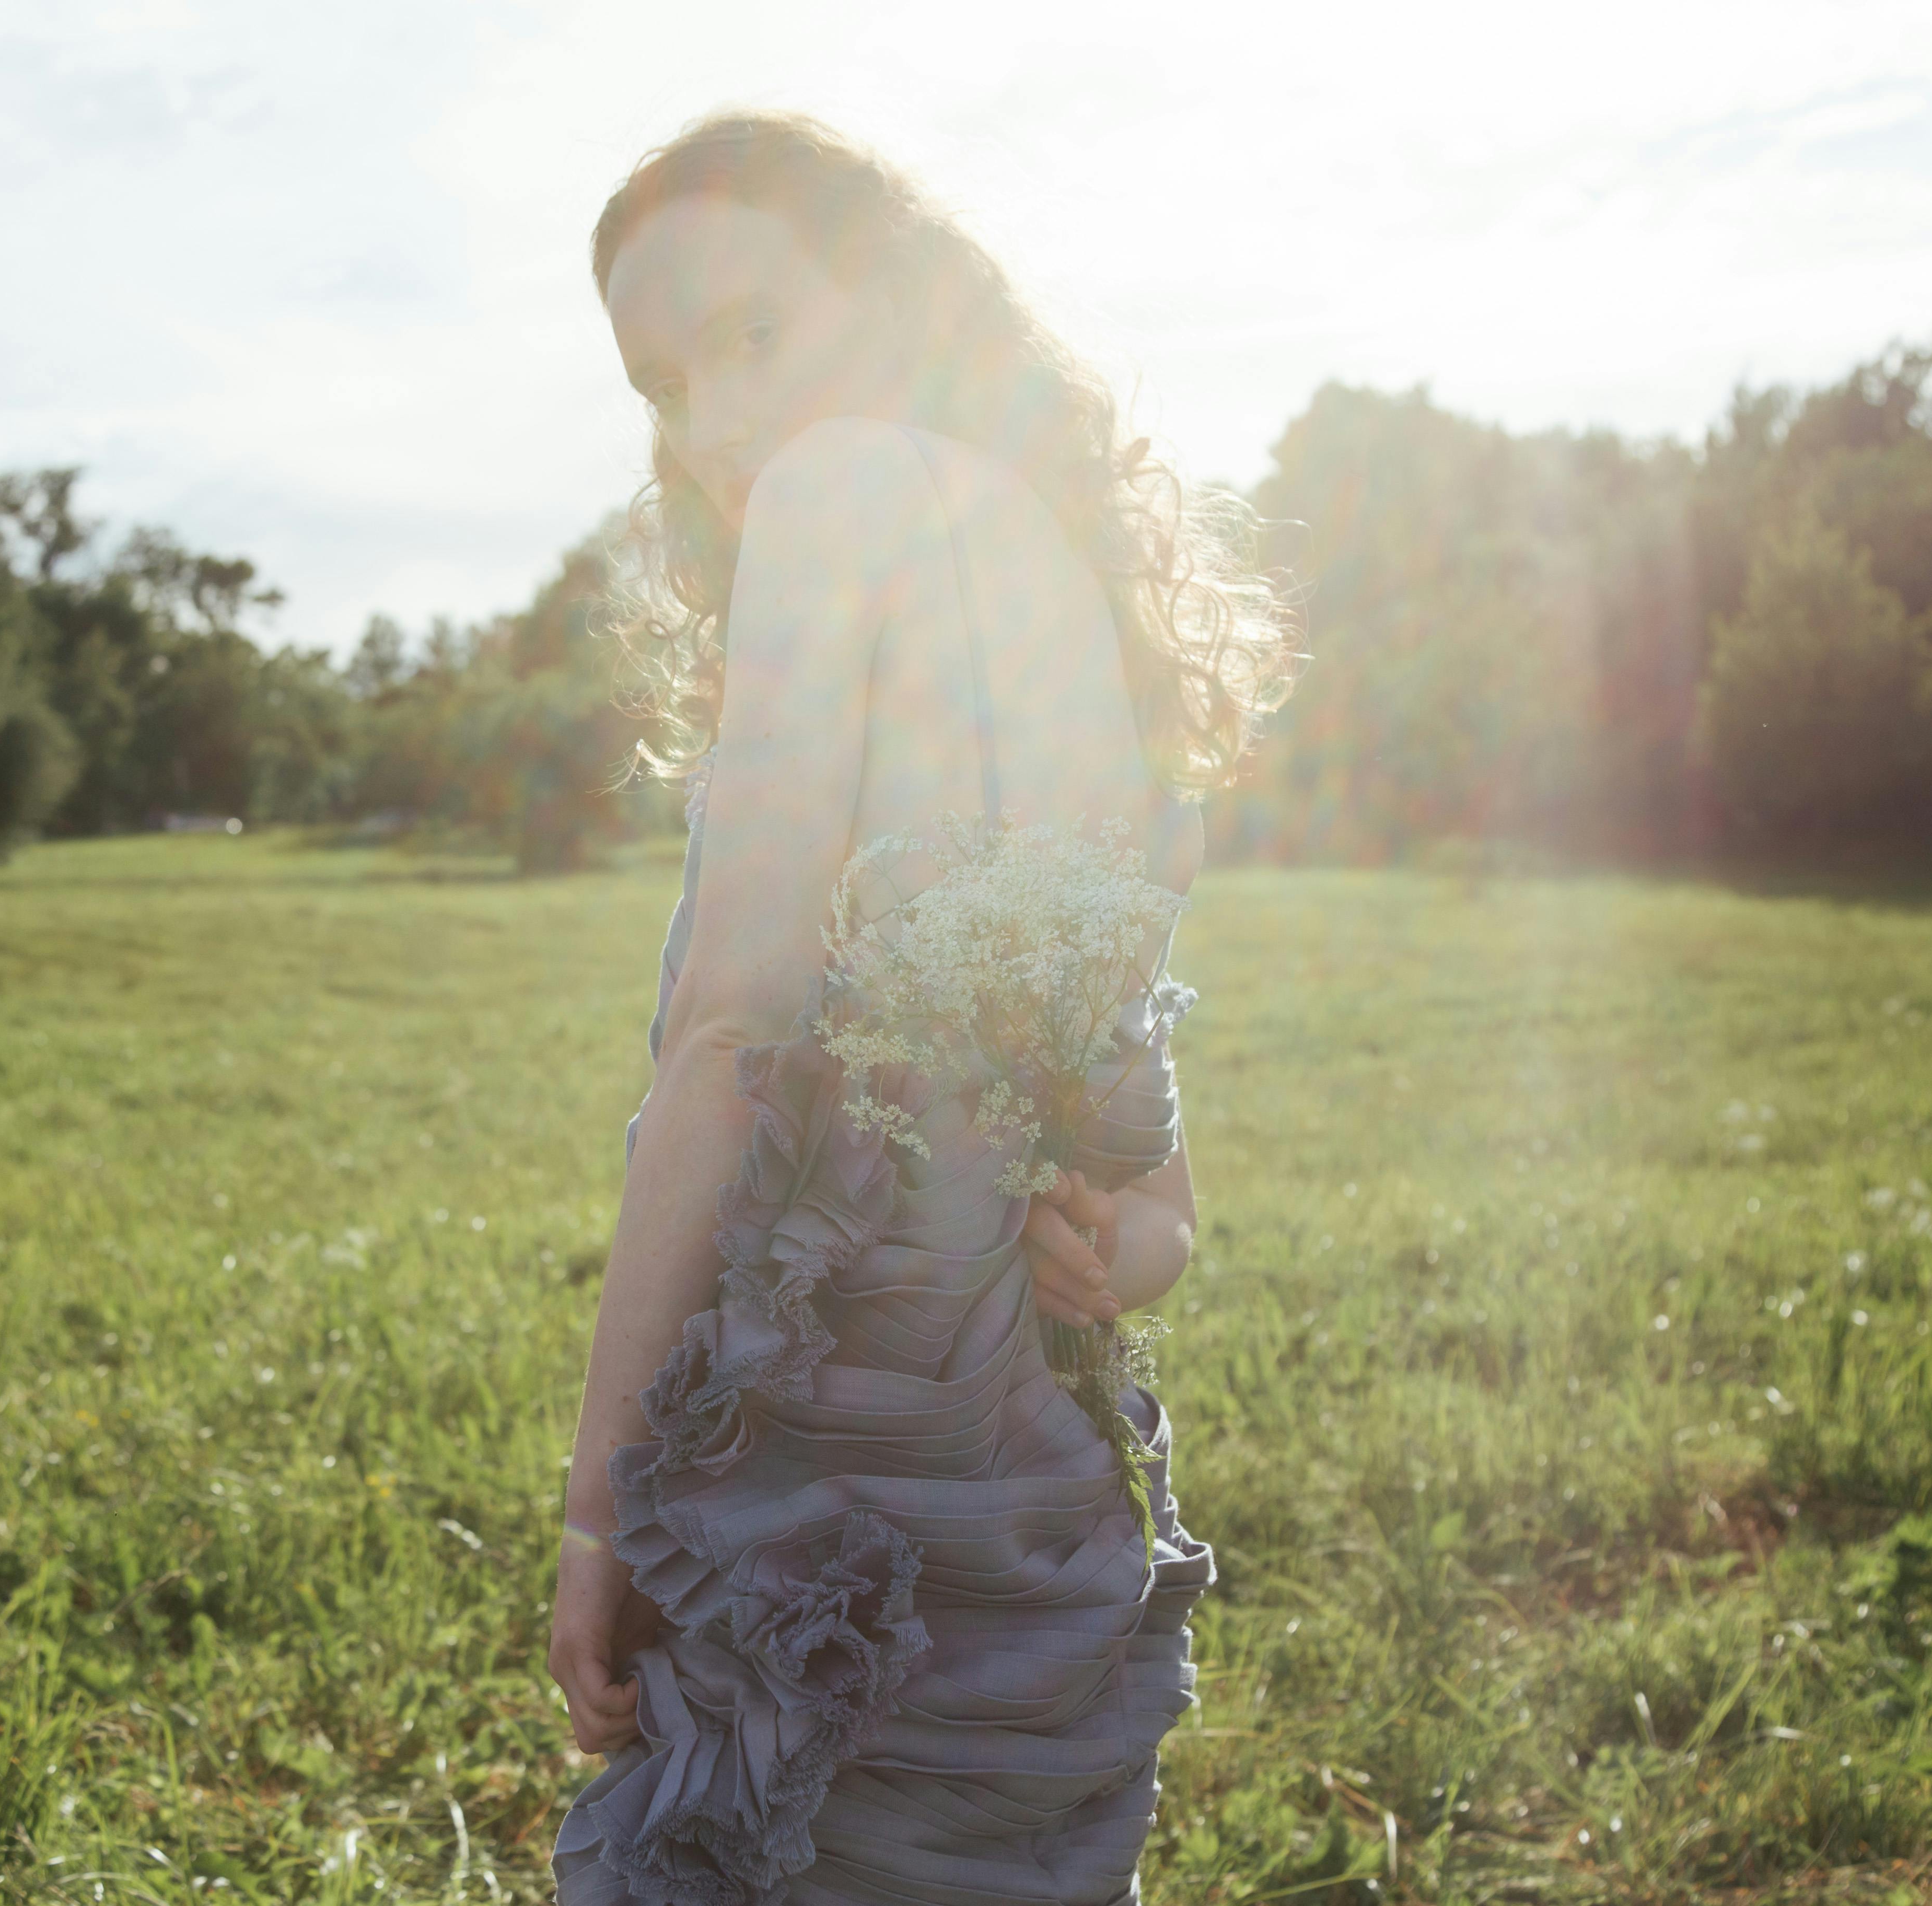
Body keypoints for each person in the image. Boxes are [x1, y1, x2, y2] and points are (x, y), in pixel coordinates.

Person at [545, 110, 1298, 1906]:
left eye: (755, 334)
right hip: (1024, 1509)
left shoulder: (836, 494)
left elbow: (727, 1037)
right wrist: (1111, 1248)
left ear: (893, 303)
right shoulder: (1086, 621)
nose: (719, 423)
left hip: (823, 1496)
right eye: (666, 384)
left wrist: (597, 1511)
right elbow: (1157, 1201)